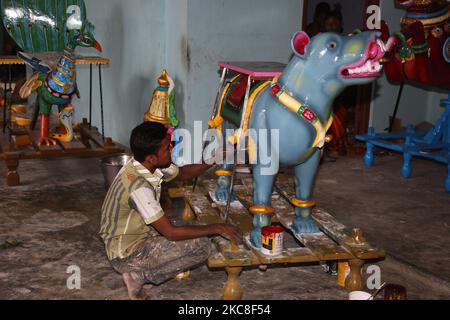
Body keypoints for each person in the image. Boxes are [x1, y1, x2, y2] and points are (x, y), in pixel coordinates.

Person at [99, 121, 243, 300]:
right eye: (167, 148)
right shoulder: (138, 187)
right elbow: (171, 233)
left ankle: (142, 270)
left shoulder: (147, 164)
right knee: (203, 246)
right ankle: (137, 276)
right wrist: (218, 227)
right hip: (126, 253)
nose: (172, 150)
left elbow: (182, 174)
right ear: (152, 157)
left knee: (198, 229)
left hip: (137, 234)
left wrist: (213, 159)